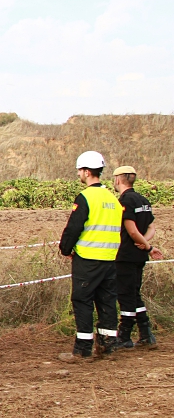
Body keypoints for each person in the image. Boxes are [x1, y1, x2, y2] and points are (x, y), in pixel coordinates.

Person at [58, 151, 124, 360]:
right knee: (107, 301)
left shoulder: (86, 197)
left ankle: (83, 349)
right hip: (110, 258)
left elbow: (74, 227)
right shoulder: (112, 198)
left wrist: (65, 249)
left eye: (80, 171)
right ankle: (107, 345)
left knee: (82, 300)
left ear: (87, 172)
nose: (79, 174)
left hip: (88, 259)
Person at [112, 165, 163, 349]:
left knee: (125, 295)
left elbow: (131, 230)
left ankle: (124, 335)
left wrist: (146, 245)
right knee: (134, 293)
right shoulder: (143, 200)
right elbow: (151, 227)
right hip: (139, 255)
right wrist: (144, 243)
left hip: (125, 255)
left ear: (118, 179)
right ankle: (145, 332)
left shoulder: (125, 201)